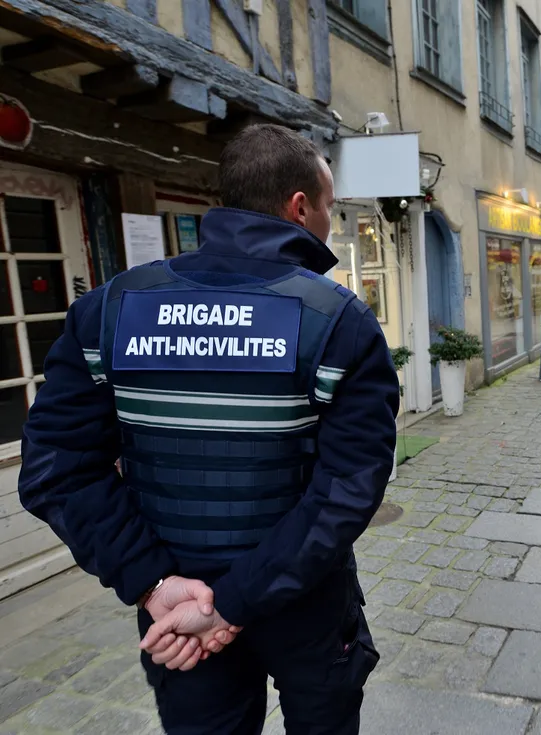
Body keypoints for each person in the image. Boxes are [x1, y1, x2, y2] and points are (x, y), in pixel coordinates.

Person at [18, 123, 399, 734]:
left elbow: (53, 467)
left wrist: (154, 584)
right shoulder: (339, 322)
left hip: (176, 607)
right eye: (330, 206)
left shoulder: (109, 311)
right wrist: (228, 603)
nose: (331, 219)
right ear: (300, 207)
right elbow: (348, 488)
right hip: (305, 605)